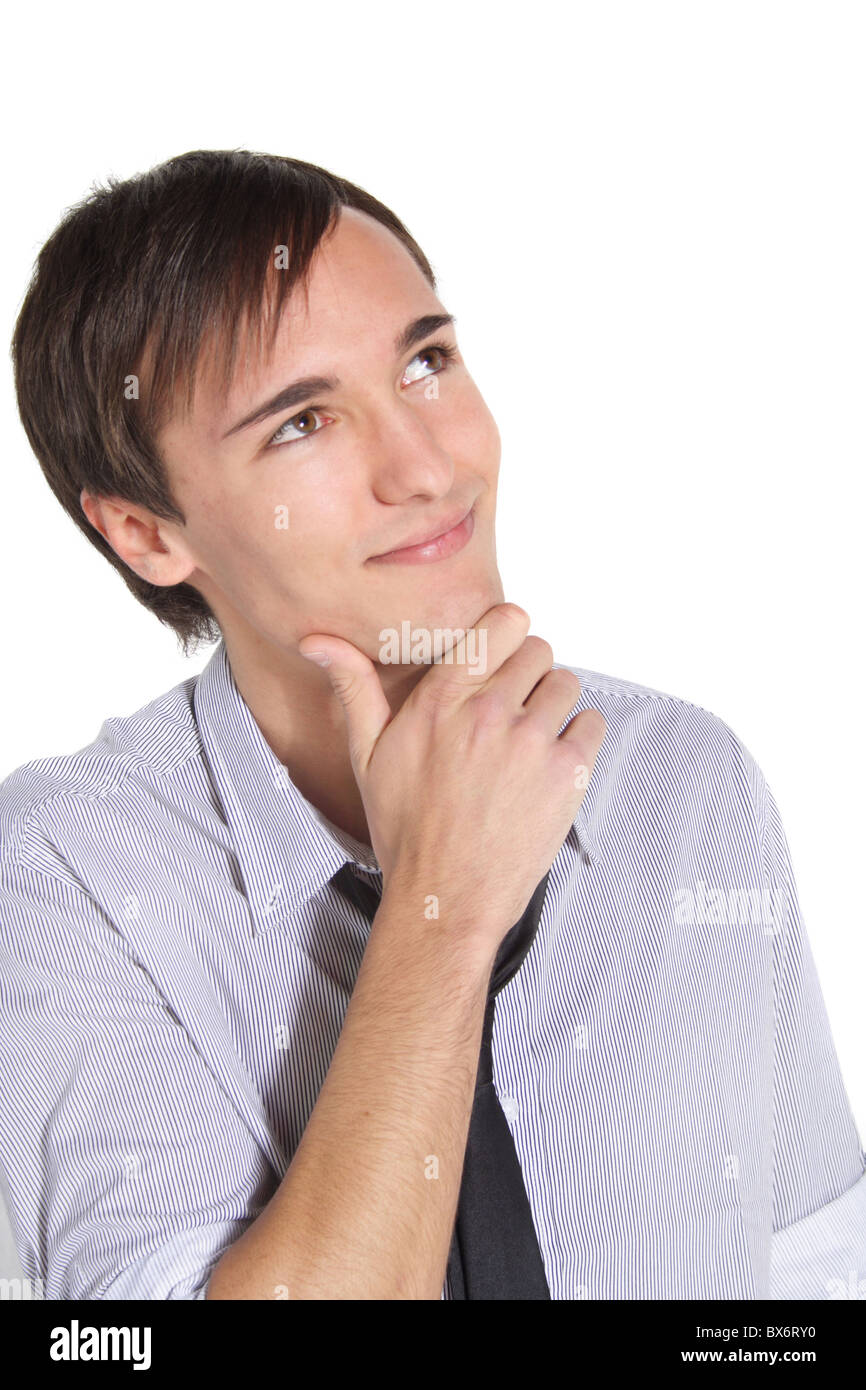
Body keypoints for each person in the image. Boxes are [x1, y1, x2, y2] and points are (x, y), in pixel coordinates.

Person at [1, 149, 863, 1301]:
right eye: (303, 422)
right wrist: (439, 916)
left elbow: (809, 1273)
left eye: (424, 361)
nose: (426, 465)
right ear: (149, 535)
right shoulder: (67, 878)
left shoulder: (682, 783)